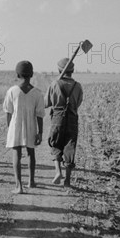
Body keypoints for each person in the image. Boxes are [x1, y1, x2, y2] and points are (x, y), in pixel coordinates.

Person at [3, 61, 44, 193]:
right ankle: (31, 181)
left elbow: (8, 112)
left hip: (15, 126)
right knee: (31, 153)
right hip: (31, 126)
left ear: (17, 74)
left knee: (17, 154)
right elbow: (39, 115)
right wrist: (40, 132)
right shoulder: (37, 93)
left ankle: (18, 186)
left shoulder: (12, 91)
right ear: (31, 74)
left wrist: (10, 128)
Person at [45, 57, 83, 187]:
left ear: (59, 70)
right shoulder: (78, 86)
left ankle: (57, 171)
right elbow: (78, 103)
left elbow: (46, 103)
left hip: (57, 117)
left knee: (55, 143)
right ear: (72, 71)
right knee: (69, 146)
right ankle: (67, 180)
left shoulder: (55, 84)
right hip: (72, 117)